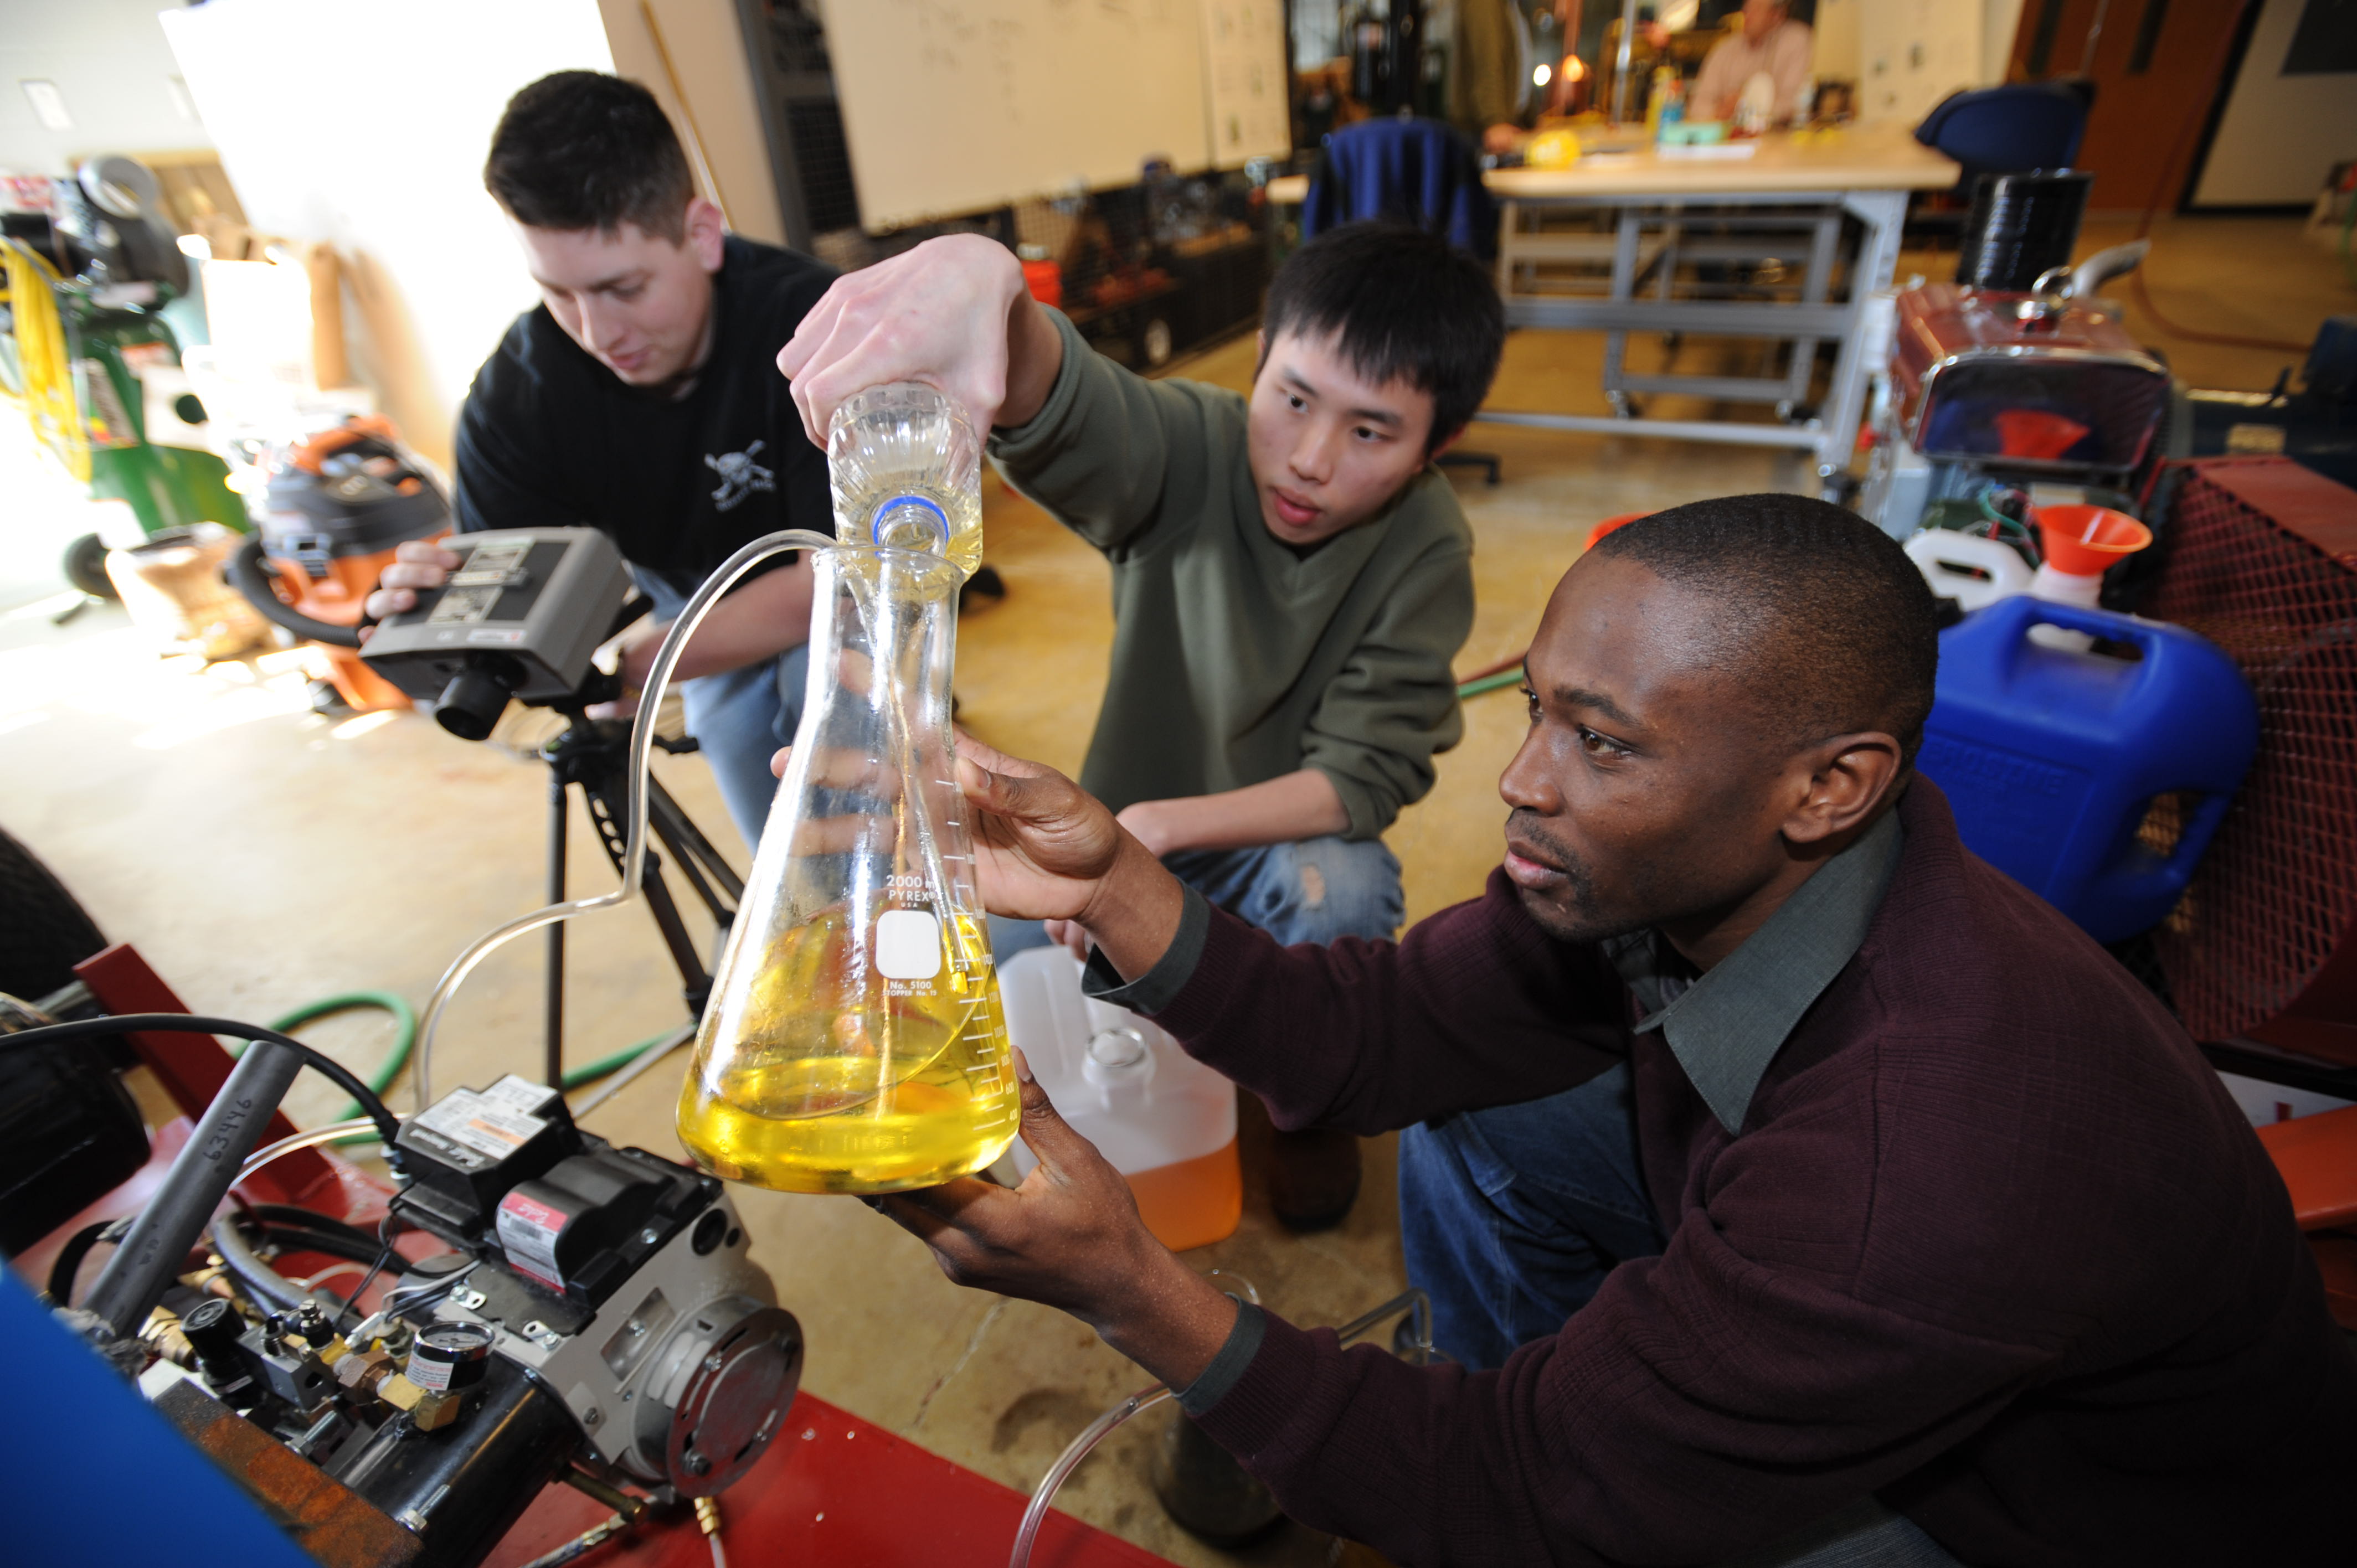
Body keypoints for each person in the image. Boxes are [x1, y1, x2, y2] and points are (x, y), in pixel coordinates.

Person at [851, 497, 2357, 1565]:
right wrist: (1112, 881)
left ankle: (1603, 1450)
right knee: (1476, 1124)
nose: (1522, 780)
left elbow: (1520, 1486)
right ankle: (1584, 1415)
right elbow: (1375, 1030)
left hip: (2050, 1518)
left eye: (1601, 740)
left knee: (1553, 1498)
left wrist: (1126, 1282)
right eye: (1538, 709)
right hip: (1868, 1301)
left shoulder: (1921, 1168)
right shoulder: (1692, 873)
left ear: (1829, 786)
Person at [779, 220, 1503, 1229]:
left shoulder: (1427, 549)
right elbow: (1070, 406)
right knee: (968, 962)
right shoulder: (1196, 446)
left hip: (1243, 846)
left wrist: (1151, 833)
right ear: (1261, 357)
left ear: (1439, 446)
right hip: (1100, 837)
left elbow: (1363, 776)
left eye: (1371, 433)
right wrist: (996, 298)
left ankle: (1305, 1105)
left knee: (1340, 888)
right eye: (1294, 399)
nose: (1309, 459)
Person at [362, 71, 836, 848]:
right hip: (689, 598)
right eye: (559, 293)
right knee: (759, 778)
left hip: (839, 582)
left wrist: (635, 666)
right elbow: (508, 612)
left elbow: (839, 586)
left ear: (702, 235)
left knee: (827, 726)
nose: (596, 332)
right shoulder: (517, 398)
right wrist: (425, 618)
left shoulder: (817, 327)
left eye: (624, 288)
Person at [1690, 0, 1814, 124]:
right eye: (1747, 8)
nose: (1747, 14)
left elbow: (1794, 104)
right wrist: (1719, 111)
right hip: (1725, 132)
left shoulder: (1797, 41)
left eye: (1757, 9)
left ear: (1777, 14)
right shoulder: (1725, 49)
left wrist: (1744, 108)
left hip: (1776, 133)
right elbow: (1697, 106)